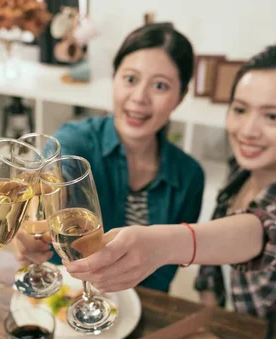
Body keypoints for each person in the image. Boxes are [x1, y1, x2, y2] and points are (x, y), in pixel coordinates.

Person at [62, 44, 276, 325]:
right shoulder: (239, 178)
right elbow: (212, 276)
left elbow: (273, 232)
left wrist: (162, 246)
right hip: (229, 332)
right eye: (241, 110)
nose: (248, 130)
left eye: (273, 117)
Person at [12, 24, 205, 293]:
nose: (139, 98)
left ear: (180, 97)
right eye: (130, 79)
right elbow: (50, 181)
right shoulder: (75, 140)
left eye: (160, 86)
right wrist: (29, 223)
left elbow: (165, 271)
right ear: (114, 79)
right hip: (68, 292)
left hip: (139, 302)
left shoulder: (189, 175)